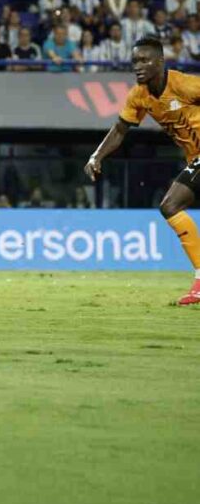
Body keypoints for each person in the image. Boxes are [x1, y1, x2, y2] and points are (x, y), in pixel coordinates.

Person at [85, 36, 200, 305]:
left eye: (145, 60)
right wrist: (96, 156)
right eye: (135, 61)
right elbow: (120, 130)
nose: (138, 66)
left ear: (160, 62)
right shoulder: (139, 95)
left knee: (170, 205)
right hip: (195, 158)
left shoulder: (185, 85)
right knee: (171, 207)